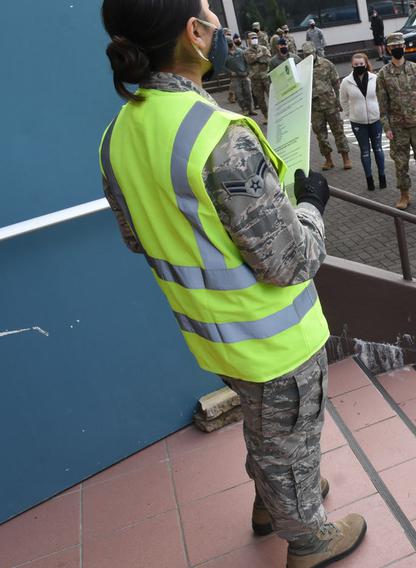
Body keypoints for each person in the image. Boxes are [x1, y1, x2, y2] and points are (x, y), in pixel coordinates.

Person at [97, 1, 367, 566]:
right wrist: (313, 205)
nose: (220, 26)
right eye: (210, 15)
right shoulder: (218, 135)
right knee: (289, 433)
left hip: (210, 332)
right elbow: (293, 261)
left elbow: (134, 237)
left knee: (264, 423)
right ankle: (307, 538)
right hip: (272, 335)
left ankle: (271, 505)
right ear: (194, 34)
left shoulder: (117, 133)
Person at [376, 32, 416, 209]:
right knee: (401, 162)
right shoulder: (383, 74)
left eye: (400, 46)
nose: (397, 49)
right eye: (394, 47)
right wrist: (387, 127)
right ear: (389, 49)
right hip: (397, 128)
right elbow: (382, 104)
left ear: (404, 47)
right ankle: (404, 196)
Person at [302, 41, 352, 171]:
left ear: (315, 52)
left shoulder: (326, 64)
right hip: (315, 107)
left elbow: (336, 83)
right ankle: (328, 160)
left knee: (338, 131)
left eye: (311, 54)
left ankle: (346, 158)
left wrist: (340, 102)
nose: (309, 56)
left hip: (330, 104)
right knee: (321, 135)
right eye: (307, 55)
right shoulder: (302, 68)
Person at [340, 53, 387, 191]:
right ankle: (369, 180)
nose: (359, 66)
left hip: (375, 120)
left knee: (378, 149)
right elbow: (343, 100)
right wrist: (350, 114)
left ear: (366, 64)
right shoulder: (346, 82)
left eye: (361, 64)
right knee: (365, 151)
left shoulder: (375, 78)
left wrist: (380, 111)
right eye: (356, 65)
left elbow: (381, 96)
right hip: (358, 122)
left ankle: (382, 176)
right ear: (352, 65)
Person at [244, 31, 271, 119]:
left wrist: (257, 58)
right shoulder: (247, 51)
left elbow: (268, 59)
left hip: (266, 76)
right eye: (252, 38)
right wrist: (260, 56)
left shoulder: (264, 48)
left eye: (255, 38)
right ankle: (266, 115)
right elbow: (250, 60)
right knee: (260, 99)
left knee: (271, 95)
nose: (254, 40)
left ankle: (275, 113)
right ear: (249, 40)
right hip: (255, 79)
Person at [226, 33, 255, 116]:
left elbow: (247, 62)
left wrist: (247, 71)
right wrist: (229, 72)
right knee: (239, 94)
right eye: (228, 43)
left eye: (230, 42)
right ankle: (244, 109)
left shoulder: (240, 51)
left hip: (244, 75)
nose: (230, 44)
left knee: (248, 93)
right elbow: (222, 67)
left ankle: (250, 109)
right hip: (235, 78)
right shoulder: (225, 54)